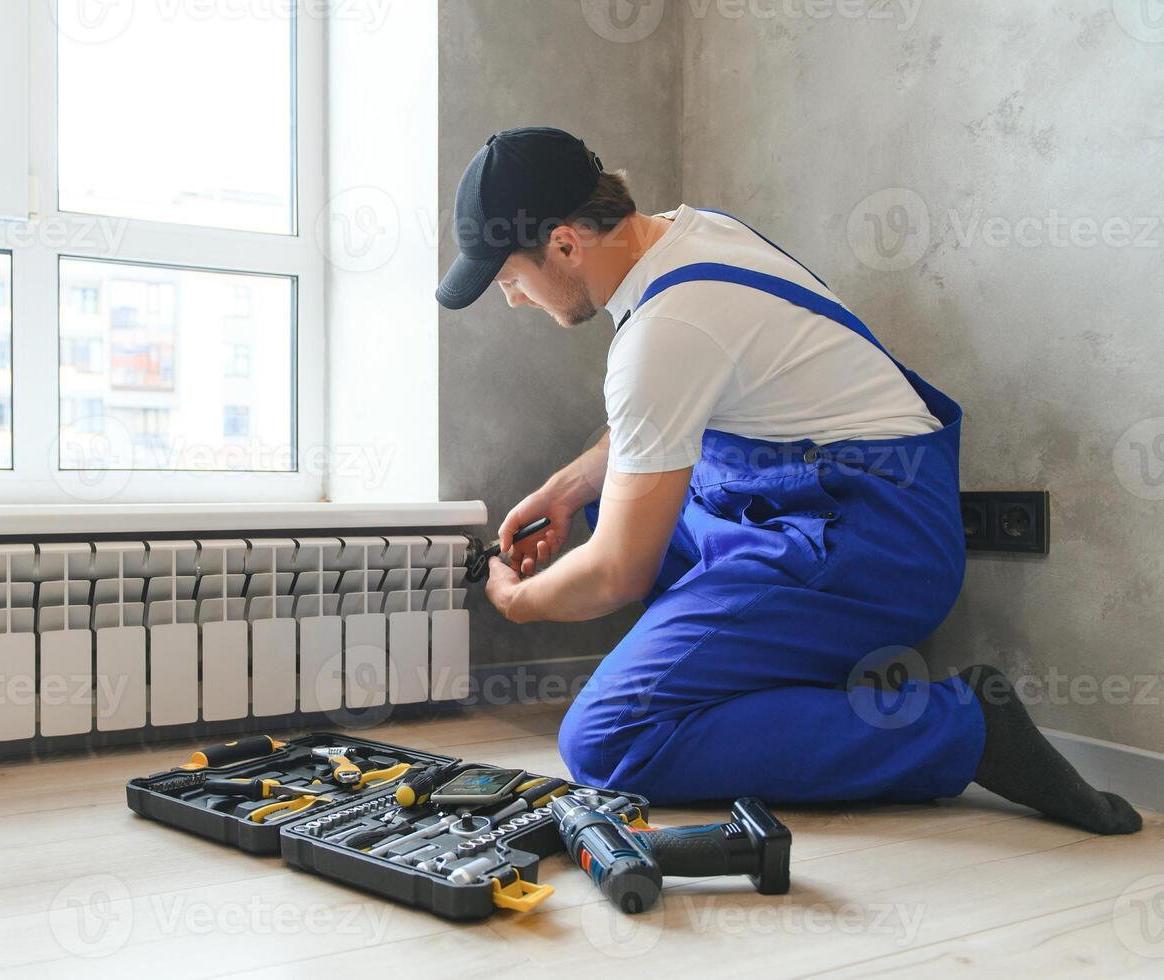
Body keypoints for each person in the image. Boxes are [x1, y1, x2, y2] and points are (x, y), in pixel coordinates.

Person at [436, 126, 1140, 835]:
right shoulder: (688, 236)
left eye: (510, 279)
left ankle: (961, 728)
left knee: (607, 739)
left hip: (871, 540)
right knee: (614, 512)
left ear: (563, 243)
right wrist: (569, 488)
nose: (514, 300)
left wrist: (522, 603)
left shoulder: (663, 331)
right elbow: (673, 407)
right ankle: (785, 687)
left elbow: (619, 571)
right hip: (817, 498)